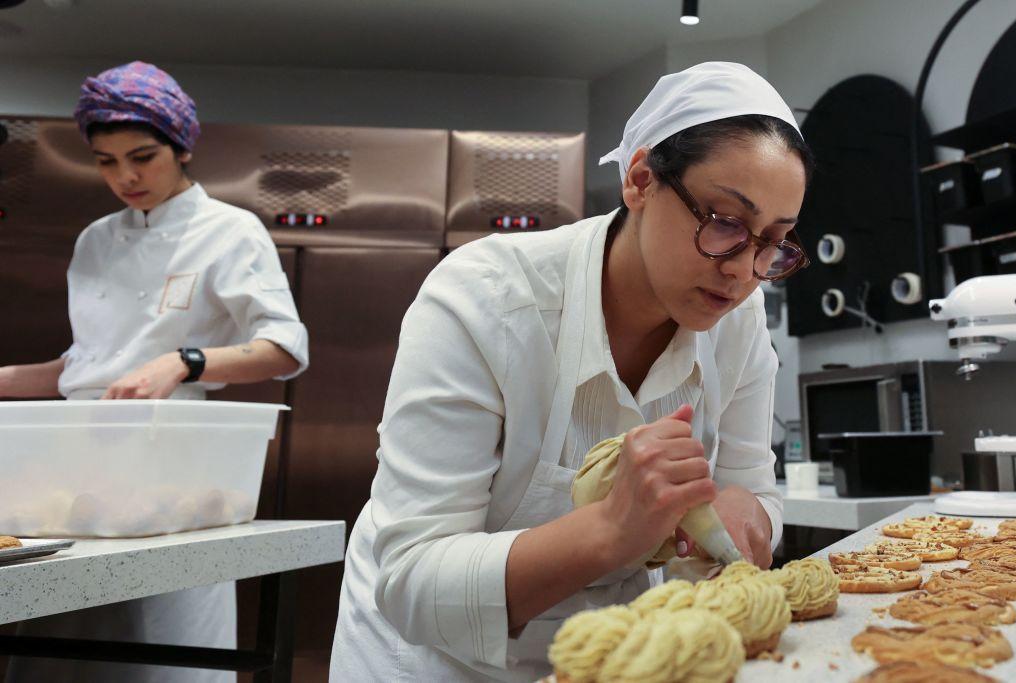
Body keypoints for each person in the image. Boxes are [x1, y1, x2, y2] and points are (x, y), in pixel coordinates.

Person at [330, 61, 813, 682]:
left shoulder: (739, 325)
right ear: (640, 181)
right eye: (724, 222)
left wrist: (750, 509)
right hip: (433, 662)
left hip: (612, 657)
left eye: (773, 241)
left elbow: (754, 487)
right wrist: (611, 529)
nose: (744, 271)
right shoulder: (488, 300)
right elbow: (413, 581)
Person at [0, 61, 309, 683]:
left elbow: (284, 347)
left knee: (163, 645)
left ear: (183, 146)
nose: (126, 177)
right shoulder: (94, 240)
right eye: (106, 161)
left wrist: (183, 360)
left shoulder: (228, 231)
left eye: (142, 156)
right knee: (61, 643)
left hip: (172, 465)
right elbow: (89, 365)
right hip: (73, 466)